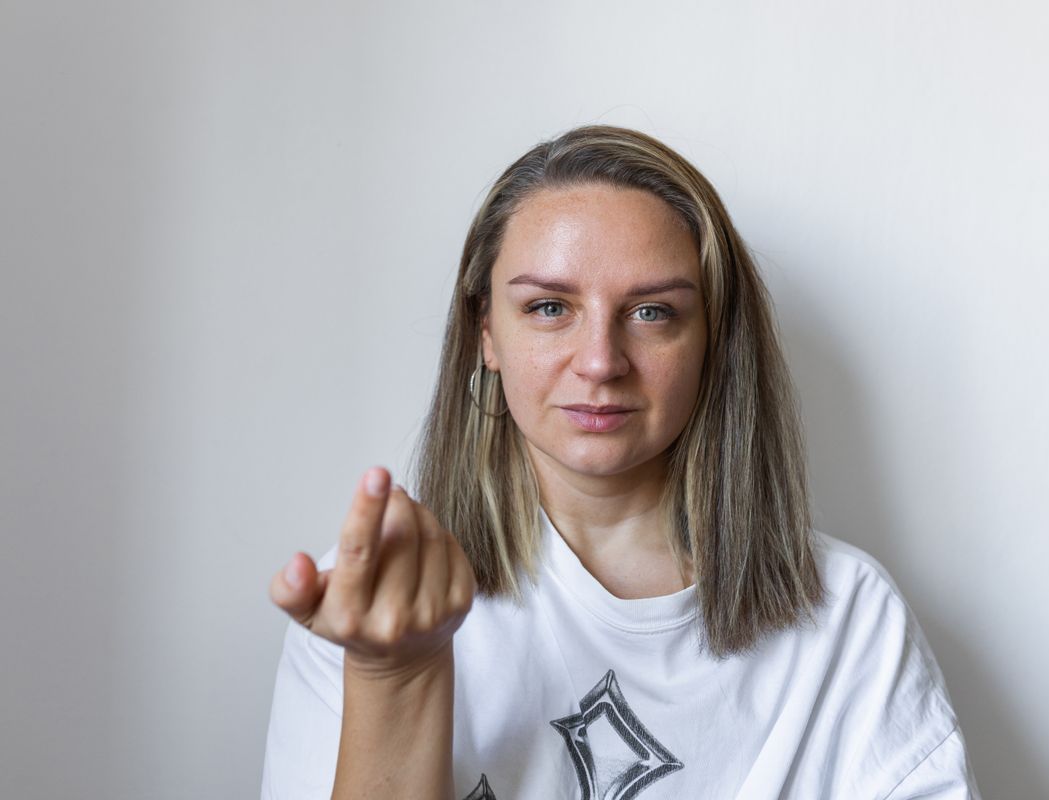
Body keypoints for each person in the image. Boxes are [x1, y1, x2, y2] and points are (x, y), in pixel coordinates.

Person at [261, 125, 981, 799]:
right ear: (486, 332)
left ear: (713, 340)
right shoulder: (374, 608)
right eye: (549, 308)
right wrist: (396, 675)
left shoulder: (849, 620)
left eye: (651, 312)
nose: (601, 362)